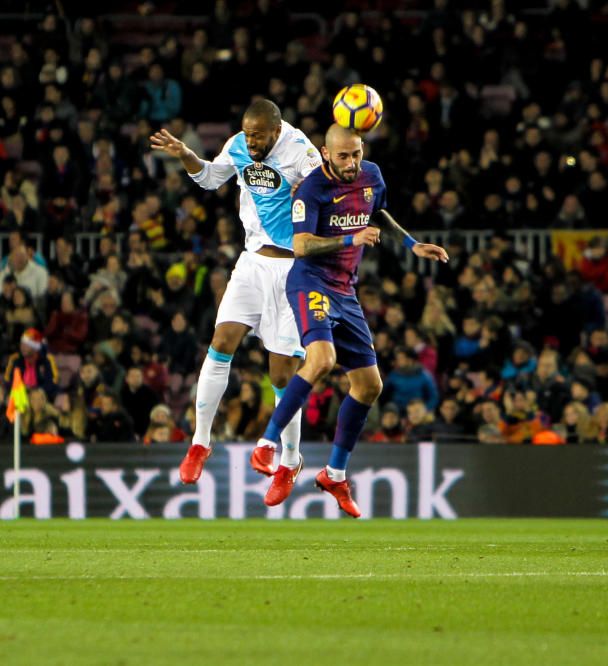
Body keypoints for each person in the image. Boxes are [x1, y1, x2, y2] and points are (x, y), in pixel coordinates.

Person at [254, 123, 448, 510]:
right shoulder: (311, 189)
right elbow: (302, 245)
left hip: (346, 290)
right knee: (322, 359)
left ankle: (335, 475)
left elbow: (380, 214)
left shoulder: (371, 176)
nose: (352, 162)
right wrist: (350, 239)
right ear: (326, 154)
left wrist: (412, 245)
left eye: (356, 153)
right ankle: (266, 445)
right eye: (343, 155)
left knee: (369, 386)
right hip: (310, 281)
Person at [150, 99, 323, 486]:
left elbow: (329, 196)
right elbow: (210, 178)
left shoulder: (301, 151)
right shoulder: (239, 144)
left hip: (293, 269)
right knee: (221, 341)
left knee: (282, 374)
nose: (252, 142)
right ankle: (199, 442)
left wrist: (308, 194)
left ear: (277, 131)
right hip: (251, 263)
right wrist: (186, 155)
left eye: (259, 136)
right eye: (248, 134)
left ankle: (290, 460)